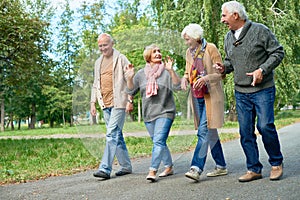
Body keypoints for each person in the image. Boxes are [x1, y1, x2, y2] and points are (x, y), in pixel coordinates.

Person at [215, 1, 284, 182]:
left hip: (263, 89)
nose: (222, 20)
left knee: (265, 126)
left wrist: (262, 70)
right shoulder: (228, 38)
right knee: (245, 131)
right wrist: (224, 68)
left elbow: (278, 52)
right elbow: (231, 63)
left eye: (224, 16)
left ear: (235, 15)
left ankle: (276, 163)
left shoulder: (260, 30)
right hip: (241, 91)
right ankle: (254, 168)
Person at [125, 44, 181, 182]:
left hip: (165, 112)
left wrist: (172, 71)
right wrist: (130, 78)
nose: (158, 53)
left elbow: (177, 86)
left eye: (159, 51)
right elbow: (131, 91)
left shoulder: (167, 71)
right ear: (148, 56)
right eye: (154, 51)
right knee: (159, 142)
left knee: (158, 141)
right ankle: (169, 166)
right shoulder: (140, 74)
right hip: (149, 114)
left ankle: (152, 170)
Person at [180, 24, 228, 182]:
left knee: (203, 132)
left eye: (187, 39)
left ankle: (196, 168)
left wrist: (206, 78)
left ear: (196, 37)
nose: (186, 42)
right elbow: (188, 71)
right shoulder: (189, 52)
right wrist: (185, 78)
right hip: (198, 96)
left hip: (212, 96)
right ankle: (221, 166)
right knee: (211, 134)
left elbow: (222, 74)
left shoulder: (211, 48)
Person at [90, 33, 133, 180]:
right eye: (100, 46)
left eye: (105, 45)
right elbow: (95, 83)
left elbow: (129, 80)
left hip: (119, 102)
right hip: (105, 103)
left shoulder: (121, 58)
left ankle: (105, 168)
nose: (103, 48)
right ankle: (126, 166)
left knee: (111, 133)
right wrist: (92, 102)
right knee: (117, 135)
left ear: (112, 43)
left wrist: (130, 100)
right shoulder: (98, 62)